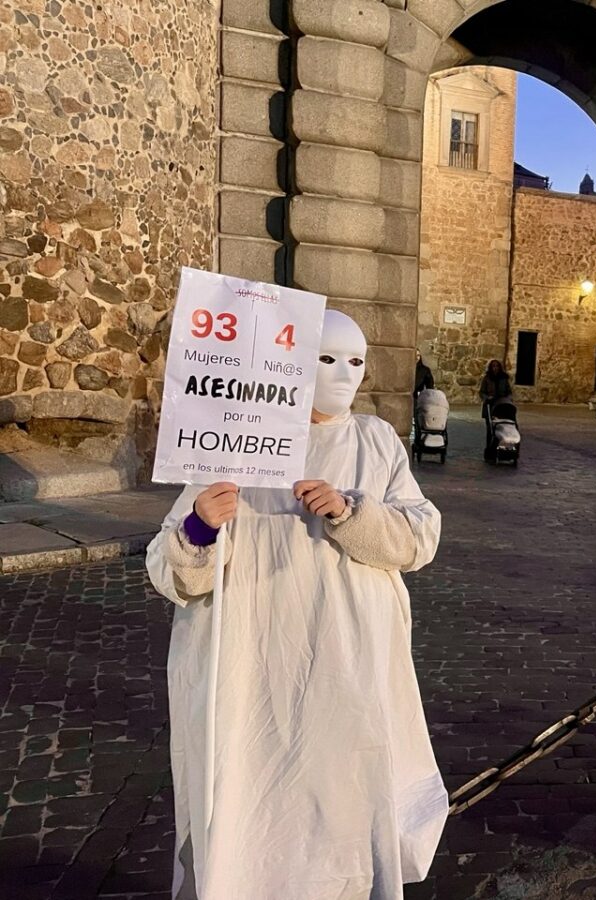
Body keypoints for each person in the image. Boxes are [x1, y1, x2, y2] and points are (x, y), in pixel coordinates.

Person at [146, 310, 447, 899]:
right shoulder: (234, 442)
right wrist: (201, 527)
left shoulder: (375, 440)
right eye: (327, 358)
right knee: (252, 814)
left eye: (356, 361)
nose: (344, 375)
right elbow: (172, 571)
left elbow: (420, 538)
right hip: (253, 676)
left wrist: (351, 512)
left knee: (347, 807)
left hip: (349, 669)